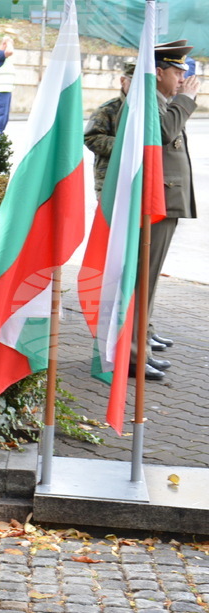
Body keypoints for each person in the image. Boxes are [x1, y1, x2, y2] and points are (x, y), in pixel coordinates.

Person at [126, 40, 200, 381]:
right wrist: (186, 101)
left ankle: (140, 345)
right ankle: (132, 356)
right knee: (143, 281)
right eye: (176, 71)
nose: (182, 78)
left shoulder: (160, 98)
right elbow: (164, 133)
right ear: (158, 72)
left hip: (164, 200)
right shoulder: (151, 99)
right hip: (155, 202)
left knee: (149, 280)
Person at [84, 62, 133, 197]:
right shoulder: (107, 110)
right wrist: (125, 146)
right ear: (123, 81)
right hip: (111, 179)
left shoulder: (152, 109)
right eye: (134, 82)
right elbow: (91, 138)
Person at [0, 35, 16, 133]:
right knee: (1, 115)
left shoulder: (2, 56)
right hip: (0, 89)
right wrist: (8, 42)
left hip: (5, 89)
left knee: (4, 116)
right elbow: (10, 51)